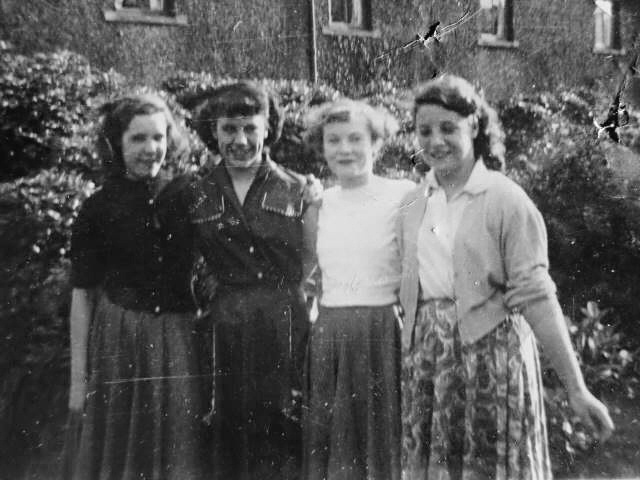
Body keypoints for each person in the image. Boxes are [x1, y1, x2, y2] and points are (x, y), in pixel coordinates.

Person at [397, 75, 615, 480]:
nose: (435, 141)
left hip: (491, 367)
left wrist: (576, 388)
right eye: (424, 130)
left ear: (475, 127)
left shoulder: (505, 199)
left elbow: (537, 297)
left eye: (448, 128)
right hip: (429, 366)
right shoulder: (414, 201)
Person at [67, 94, 212, 479]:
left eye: (159, 138)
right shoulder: (97, 208)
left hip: (179, 337)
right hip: (121, 339)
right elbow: (82, 295)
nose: (151, 150)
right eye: (138, 139)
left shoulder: (189, 194)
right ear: (116, 143)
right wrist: (78, 382)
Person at [182, 81, 317, 480]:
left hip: (282, 319)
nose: (239, 140)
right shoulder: (197, 193)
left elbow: (310, 259)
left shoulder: (298, 189)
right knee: (226, 422)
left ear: (267, 129)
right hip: (224, 322)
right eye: (229, 129)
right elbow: (187, 260)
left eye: (250, 129)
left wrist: (283, 299)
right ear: (214, 132)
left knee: (283, 419)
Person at [302, 99, 415, 480]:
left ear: (376, 144)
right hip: (331, 334)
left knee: (383, 439)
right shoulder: (318, 205)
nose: (345, 149)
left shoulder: (403, 195)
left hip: (383, 331)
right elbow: (307, 274)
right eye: (333, 140)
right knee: (336, 441)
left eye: (355, 138)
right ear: (322, 147)